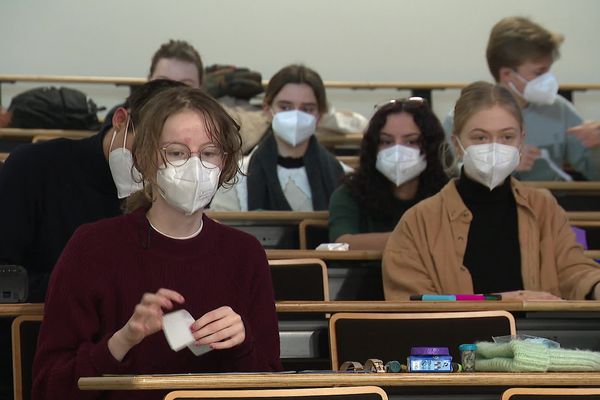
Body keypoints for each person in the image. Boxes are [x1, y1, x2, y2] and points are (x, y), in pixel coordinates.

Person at [32, 86, 282, 400]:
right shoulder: (92, 246)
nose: (194, 167)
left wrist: (242, 345)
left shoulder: (245, 253)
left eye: (208, 153)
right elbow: (48, 387)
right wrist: (122, 341)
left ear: (225, 161)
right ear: (147, 158)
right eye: (176, 152)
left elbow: (270, 383)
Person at [0, 80, 184, 400]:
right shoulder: (35, 166)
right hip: (39, 343)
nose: (153, 164)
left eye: (171, 153)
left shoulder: (174, 189)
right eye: (148, 145)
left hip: (141, 359)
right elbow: (6, 279)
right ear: (121, 121)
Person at [383, 81, 600, 301]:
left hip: (539, 335)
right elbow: (411, 302)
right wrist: (505, 301)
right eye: (480, 137)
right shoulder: (419, 221)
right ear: (457, 144)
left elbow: (573, 268)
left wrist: (595, 285)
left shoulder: (543, 207)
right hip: (455, 335)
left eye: (507, 137)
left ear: (521, 141)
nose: (495, 147)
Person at [443, 16, 600, 181]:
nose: (549, 80)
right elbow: (450, 182)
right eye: (539, 73)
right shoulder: (459, 119)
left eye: (548, 71)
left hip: (551, 204)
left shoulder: (560, 110)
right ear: (507, 74)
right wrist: (502, 167)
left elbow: (594, 175)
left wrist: (596, 145)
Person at [210, 64, 345, 211]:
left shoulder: (342, 176)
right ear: (268, 110)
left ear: (319, 116)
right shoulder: (237, 177)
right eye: (285, 107)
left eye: (307, 109)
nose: (296, 116)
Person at [106, 39, 268, 154]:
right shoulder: (124, 121)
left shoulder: (217, 126)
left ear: (201, 88)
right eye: (163, 82)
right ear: (149, 81)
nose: (172, 93)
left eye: (185, 85)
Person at [328, 97, 449, 250]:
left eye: (410, 141)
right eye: (387, 141)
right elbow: (342, 243)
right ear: (374, 147)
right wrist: (418, 239)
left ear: (431, 146)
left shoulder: (449, 192)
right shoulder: (350, 193)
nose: (397, 150)